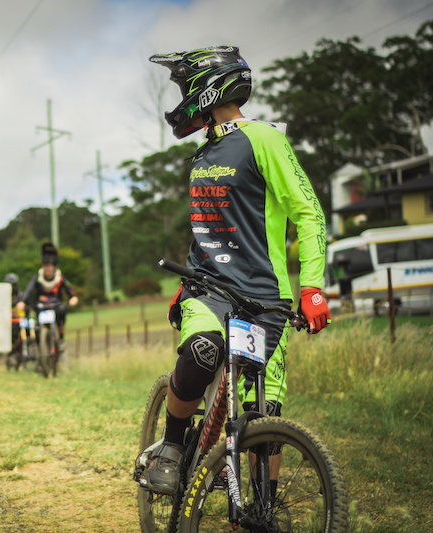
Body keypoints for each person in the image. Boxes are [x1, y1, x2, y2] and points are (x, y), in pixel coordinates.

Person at [143, 46, 331, 495]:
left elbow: (310, 214)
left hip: (265, 298)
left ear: (210, 87)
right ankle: (170, 449)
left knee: (263, 412)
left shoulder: (263, 138)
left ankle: (261, 508)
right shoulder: (205, 150)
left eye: (186, 84)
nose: (182, 96)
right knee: (203, 352)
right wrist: (187, 282)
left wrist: (313, 288)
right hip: (211, 291)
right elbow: (211, 227)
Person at [15, 242, 79, 352]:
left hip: (56, 306)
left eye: (49, 266)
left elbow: (71, 292)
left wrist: (73, 299)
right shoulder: (37, 278)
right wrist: (22, 302)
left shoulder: (60, 278)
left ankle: (61, 340)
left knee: (62, 316)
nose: (47, 269)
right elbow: (29, 291)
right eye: (45, 266)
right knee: (37, 328)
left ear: (54, 267)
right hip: (41, 306)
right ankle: (41, 353)